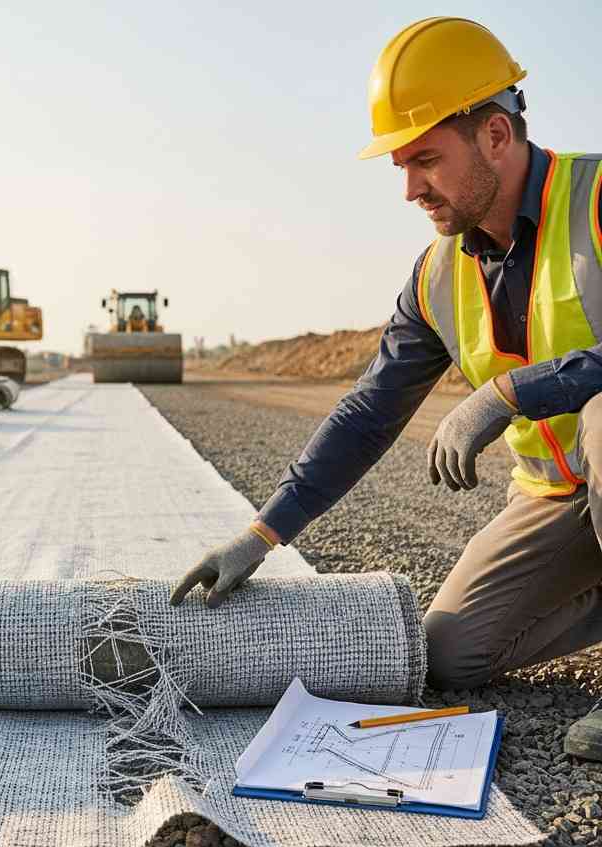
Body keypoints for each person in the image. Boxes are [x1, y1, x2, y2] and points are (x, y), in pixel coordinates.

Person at [170, 17, 602, 761]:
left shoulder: (597, 201)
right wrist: (261, 534)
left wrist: (508, 395)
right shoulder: (438, 273)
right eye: (401, 165)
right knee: (453, 653)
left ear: (496, 135)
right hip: (561, 502)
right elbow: (369, 415)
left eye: (426, 160)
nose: (408, 189)